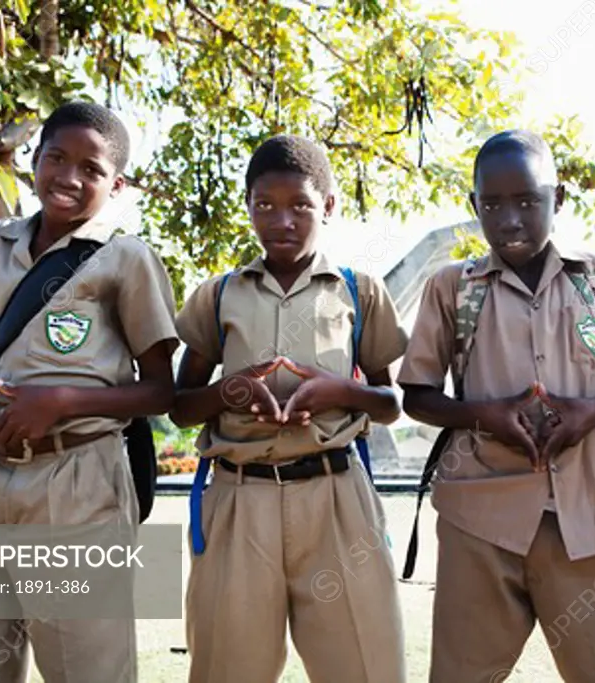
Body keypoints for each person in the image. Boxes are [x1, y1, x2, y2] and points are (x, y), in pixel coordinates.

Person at [0, 101, 179, 683]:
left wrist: (63, 403)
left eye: (91, 169)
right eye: (56, 158)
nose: (68, 177)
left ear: (115, 185)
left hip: (78, 482)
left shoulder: (127, 258)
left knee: (86, 664)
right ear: (33, 162)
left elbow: (161, 391)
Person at [398, 129, 595, 683]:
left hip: (585, 518)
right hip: (479, 516)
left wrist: (590, 412)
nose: (510, 218)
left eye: (528, 200)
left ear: (558, 199)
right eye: (492, 204)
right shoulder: (454, 287)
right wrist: (485, 415)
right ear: (473, 207)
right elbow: (419, 395)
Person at [171, 134, 408, 683]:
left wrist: (338, 392)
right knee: (226, 666)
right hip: (238, 497)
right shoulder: (220, 293)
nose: (283, 220)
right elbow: (180, 407)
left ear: (328, 205)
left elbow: (392, 402)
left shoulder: (357, 291)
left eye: (301, 205)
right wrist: (231, 392)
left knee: (364, 664)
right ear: (249, 207)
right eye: (266, 206)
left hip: (335, 498)